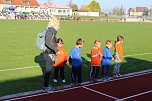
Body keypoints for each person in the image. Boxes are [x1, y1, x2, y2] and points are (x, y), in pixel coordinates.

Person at [43, 16, 60, 92]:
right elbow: (47, 43)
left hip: (51, 53)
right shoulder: (50, 31)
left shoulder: (52, 31)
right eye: (58, 26)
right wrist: (56, 50)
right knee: (48, 70)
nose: (59, 28)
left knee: (52, 67)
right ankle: (45, 87)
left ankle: (47, 84)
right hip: (48, 53)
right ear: (55, 25)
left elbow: (51, 42)